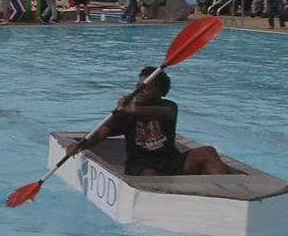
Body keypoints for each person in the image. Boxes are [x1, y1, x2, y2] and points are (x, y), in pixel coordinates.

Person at [66, 67, 228, 176]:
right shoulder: (125, 113)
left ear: (160, 91)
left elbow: (164, 113)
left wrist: (133, 109)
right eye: (138, 86)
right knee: (150, 175)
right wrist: (81, 144)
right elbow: (101, 133)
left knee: (208, 152)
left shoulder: (169, 107)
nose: (140, 90)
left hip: (170, 160)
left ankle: (226, 196)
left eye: (146, 87)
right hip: (140, 165)